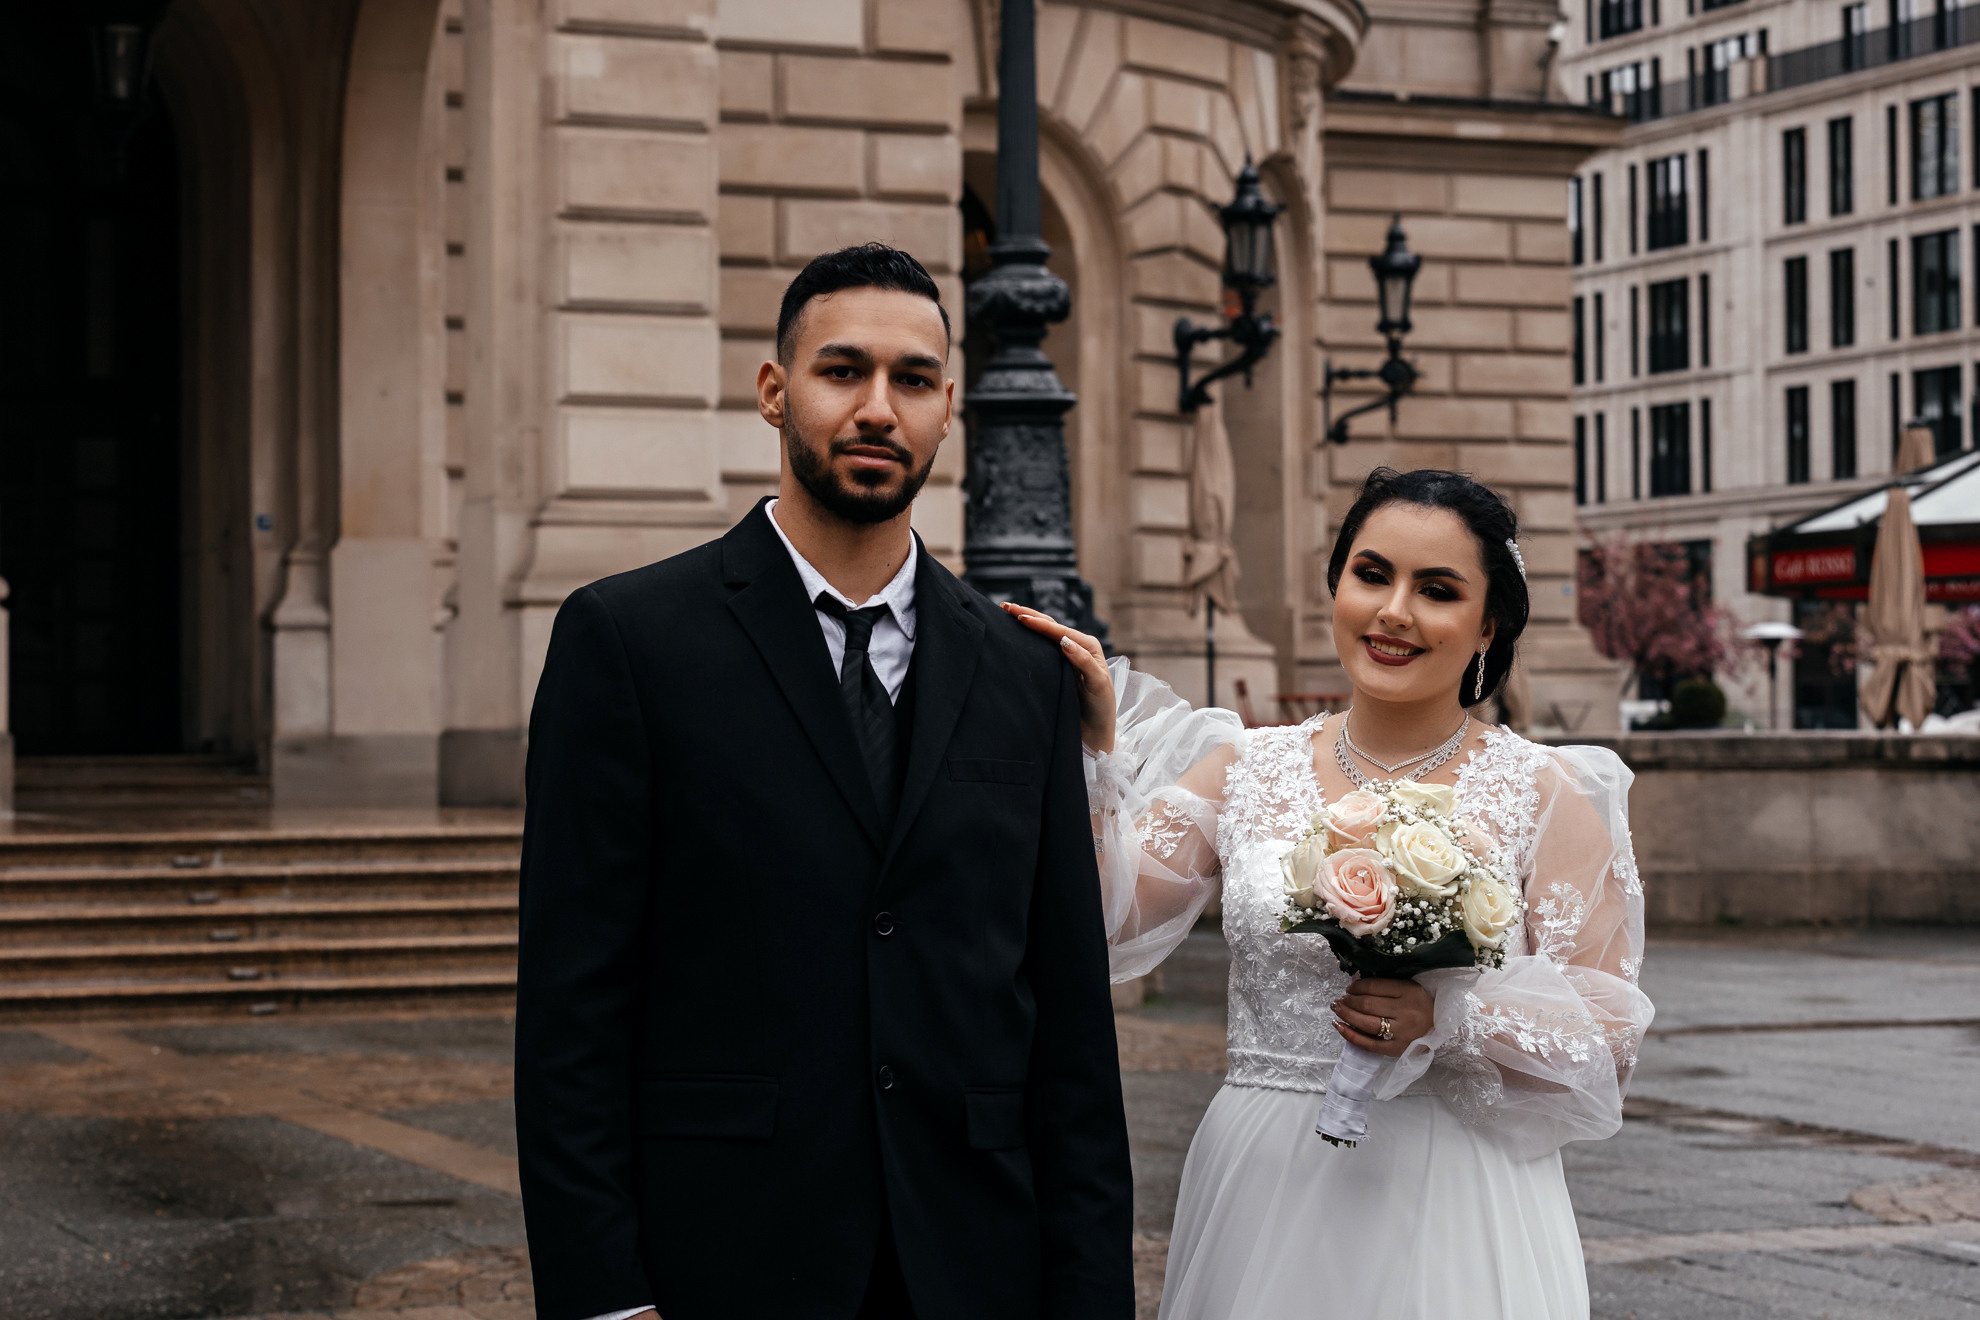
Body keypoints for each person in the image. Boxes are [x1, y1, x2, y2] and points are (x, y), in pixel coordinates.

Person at [514, 243, 1134, 1320]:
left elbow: (1071, 1029)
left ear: (949, 407)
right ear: (775, 392)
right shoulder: (628, 639)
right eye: (842, 371)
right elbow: (574, 1011)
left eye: (911, 380)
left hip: (975, 1258)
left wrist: (1089, 1295)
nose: (877, 409)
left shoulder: (1027, 672)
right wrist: (602, 1296)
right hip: (725, 1254)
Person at [1009, 467, 1654, 1320]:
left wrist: (1448, 1021)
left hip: (1456, 1186)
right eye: (1372, 574)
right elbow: (1103, 922)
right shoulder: (1241, 767)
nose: (1394, 612)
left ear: (1488, 624)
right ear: (1337, 585)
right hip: (1265, 1175)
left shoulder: (1546, 794)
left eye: (1438, 590)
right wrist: (1094, 756)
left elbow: (1606, 1044)